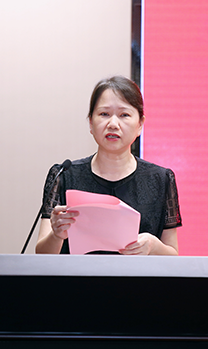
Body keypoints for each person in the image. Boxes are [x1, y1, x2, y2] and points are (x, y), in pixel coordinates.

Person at [35, 75, 182, 255]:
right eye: (104, 114)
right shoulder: (63, 175)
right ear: (91, 122)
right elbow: (42, 255)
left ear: (140, 125)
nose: (113, 124)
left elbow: (173, 256)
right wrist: (56, 235)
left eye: (124, 115)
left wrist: (153, 245)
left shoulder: (160, 179)